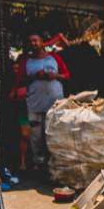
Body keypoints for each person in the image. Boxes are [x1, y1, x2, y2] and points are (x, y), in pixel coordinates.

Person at [10, 33, 70, 175]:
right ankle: (39, 164)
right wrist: (35, 76)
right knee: (36, 135)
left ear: (42, 42)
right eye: (30, 41)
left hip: (55, 104)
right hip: (35, 104)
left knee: (55, 133)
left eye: (35, 40)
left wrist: (54, 76)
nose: (33, 44)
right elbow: (20, 81)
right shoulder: (26, 62)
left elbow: (67, 75)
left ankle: (55, 163)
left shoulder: (55, 58)